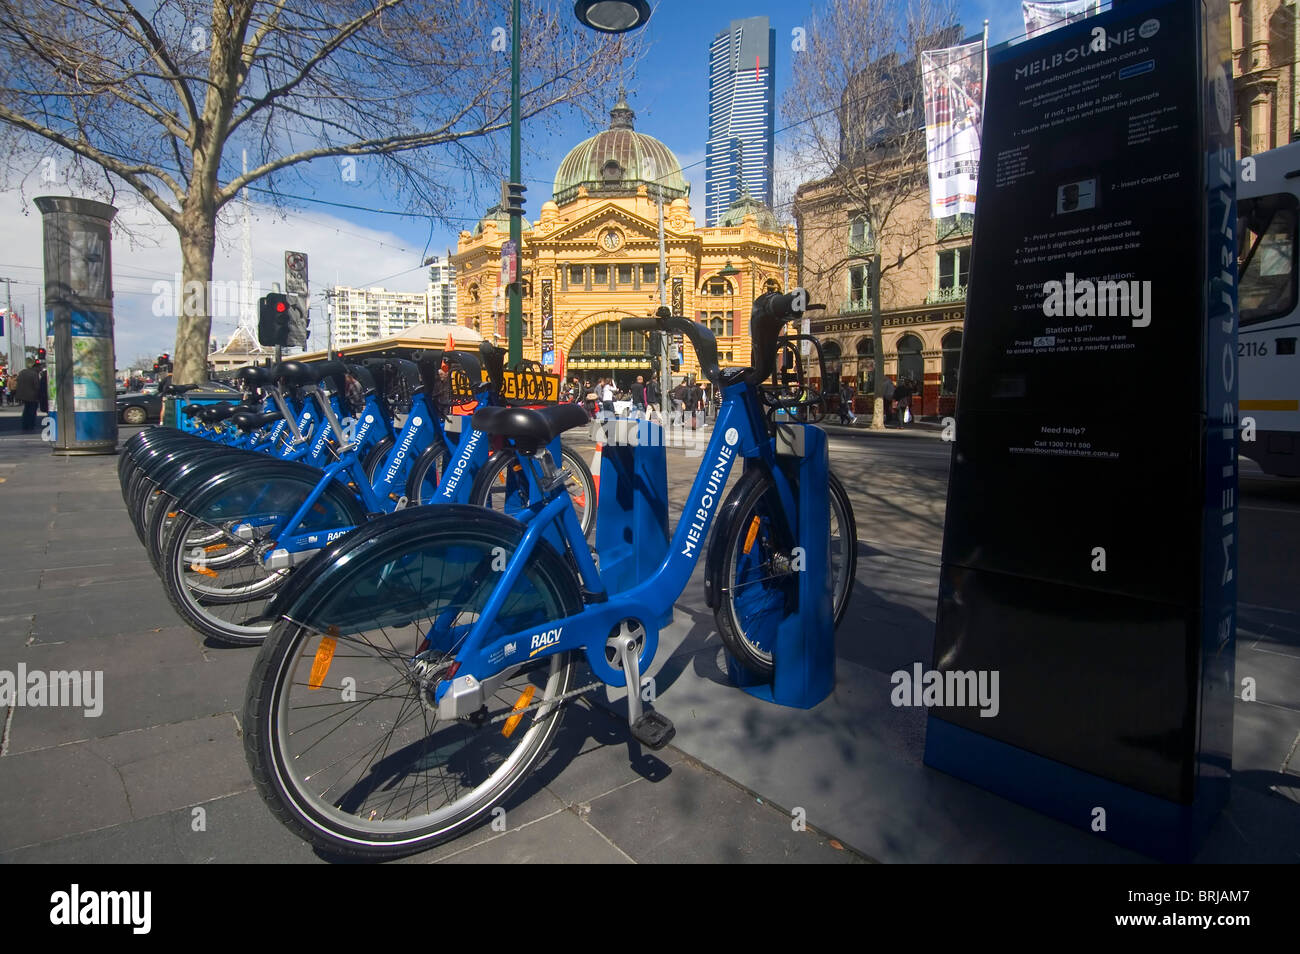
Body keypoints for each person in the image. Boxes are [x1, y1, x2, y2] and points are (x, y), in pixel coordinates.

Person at [15, 359, 41, 432]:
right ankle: (30, 425)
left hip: (22, 395)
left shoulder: (22, 372)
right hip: (32, 396)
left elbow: (18, 383)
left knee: (26, 410)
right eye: (39, 368)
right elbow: (37, 386)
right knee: (32, 411)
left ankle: (25, 424)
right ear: (35, 367)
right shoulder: (34, 374)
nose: (40, 369)